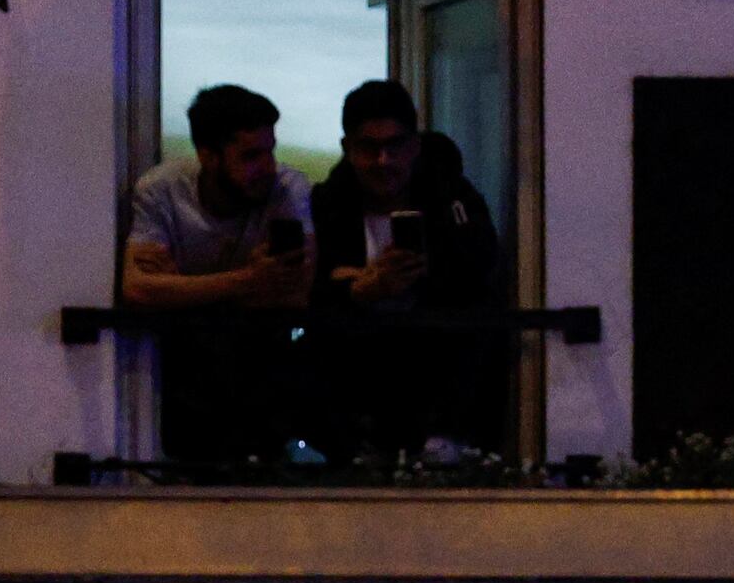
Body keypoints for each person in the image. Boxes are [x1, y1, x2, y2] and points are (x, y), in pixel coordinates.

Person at [310, 78, 510, 464]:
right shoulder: (327, 206)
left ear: (415, 146)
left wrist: (392, 277)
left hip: (438, 380)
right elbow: (307, 286)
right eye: (369, 147)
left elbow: (480, 268)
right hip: (353, 381)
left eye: (395, 146)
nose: (383, 161)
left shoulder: (454, 198)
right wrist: (360, 289)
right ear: (347, 149)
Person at [119, 83, 311, 475]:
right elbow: (137, 290)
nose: (269, 167)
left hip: (264, 382)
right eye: (252, 155)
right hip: (180, 389)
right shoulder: (161, 191)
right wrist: (250, 280)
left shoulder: (288, 189)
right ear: (208, 155)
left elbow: (296, 294)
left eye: (271, 150)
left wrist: (182, 289)